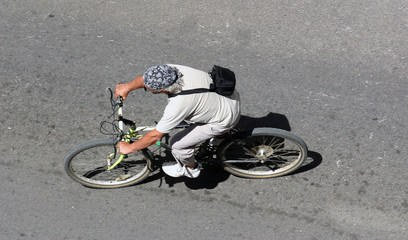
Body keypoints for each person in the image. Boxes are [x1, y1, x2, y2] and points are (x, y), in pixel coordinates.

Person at [115, 64, 241, 178]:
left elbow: (154, 136)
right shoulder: (172, 70)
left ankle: (191, 168)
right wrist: (127, 87)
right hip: (229, 97)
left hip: (226, 118)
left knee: (177, 145)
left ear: (162, 90)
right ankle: (220, 137)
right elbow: (146, 78)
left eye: (148, 89)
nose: (146, 88)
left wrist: (130, 148)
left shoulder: (178, 105)